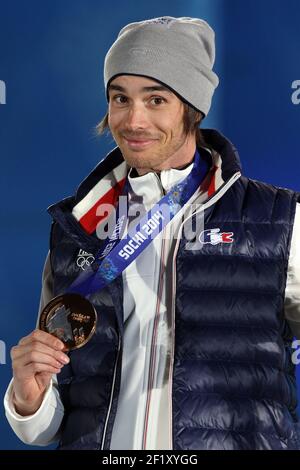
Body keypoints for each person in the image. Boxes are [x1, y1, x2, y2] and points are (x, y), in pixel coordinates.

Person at [4, 16, 300, 451]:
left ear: (192, 108)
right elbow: (49, 422)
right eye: (120, 98)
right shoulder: (78, 229)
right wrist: (28, 401)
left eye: (156, 99)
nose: (134, 119)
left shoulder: (276, 219)